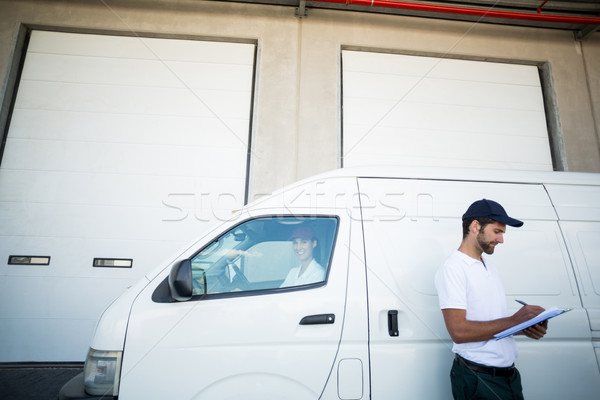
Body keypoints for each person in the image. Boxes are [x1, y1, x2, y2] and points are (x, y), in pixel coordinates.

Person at [434, 199, 549, 400]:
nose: (501, 239)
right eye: (497, 231)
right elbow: (458, 331)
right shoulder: (453, 268)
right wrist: (515, 320)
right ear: (475, 226)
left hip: (508, 377)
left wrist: (524, 327)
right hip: (479, 379)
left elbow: (492, 322)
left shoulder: (489, 267)